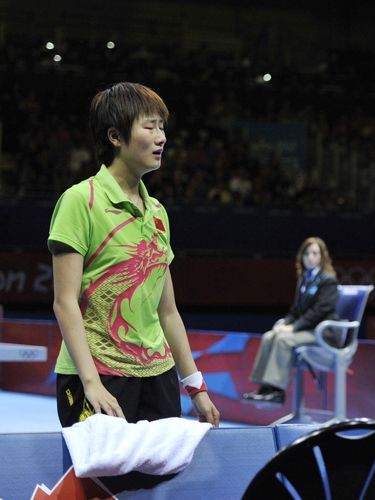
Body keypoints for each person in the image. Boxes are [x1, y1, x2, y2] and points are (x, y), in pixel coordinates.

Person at [49, 82, 220, 427]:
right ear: (115, 136)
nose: (161, 138)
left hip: (158, 375)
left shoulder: (157, 211)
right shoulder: (81, 201)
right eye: (149, 126)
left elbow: (168, 311)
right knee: (102, 483)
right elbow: (64, 302)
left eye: (162, 127)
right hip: (99, 374)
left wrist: (195, 385)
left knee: (159, 481)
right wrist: (91, 384)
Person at [243, 237, 339, 404]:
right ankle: (264, 388)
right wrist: (285, 323)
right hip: (306, 330)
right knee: (270, 335)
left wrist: (293, 328)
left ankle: (277, 391)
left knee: (283, 339)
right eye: (307, 253)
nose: (310, 257)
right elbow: (295, 311)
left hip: (322, 332)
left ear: (322, 257)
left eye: (315, 253)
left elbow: (320, 311)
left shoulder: (328, 280)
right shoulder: (304, 280)